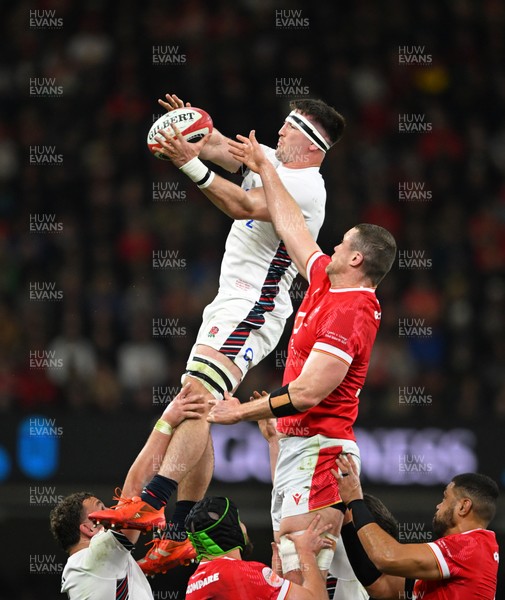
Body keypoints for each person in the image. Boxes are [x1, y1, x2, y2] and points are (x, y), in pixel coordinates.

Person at [89, 94, 346, 574]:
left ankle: (154, 504)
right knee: (199, 402)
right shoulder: (275, 159)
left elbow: (240, 203)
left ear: (312, 146)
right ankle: (176, 533)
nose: (280, 133)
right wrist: (192, 128)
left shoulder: (308, 187)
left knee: (197, 397)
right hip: (232, 302)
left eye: (290, 129)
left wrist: (191, 167)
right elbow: (225, 148)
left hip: (255, 306)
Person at [206, 131, 397, 585]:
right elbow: (291, 225)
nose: (328, 246)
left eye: (340, 243)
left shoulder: (353, 312)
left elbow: (308, 393)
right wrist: (266, 166)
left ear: (354, 258)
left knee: (299, 577)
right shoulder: (327, 283)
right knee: (292, 572)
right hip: (301, 451)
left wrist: (239, 412)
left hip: (320, 452)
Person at [49, 386, 205, 599]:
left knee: (199, 420)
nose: (114, 512)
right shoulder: (90, 561)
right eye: (102, 510)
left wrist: (176, 532)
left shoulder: (98, 566)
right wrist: (166, 421)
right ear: (88, 528)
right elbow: (133, 490)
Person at [333, 454, 500, 599]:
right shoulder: (472, 554)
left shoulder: (470, 547)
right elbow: (382, 586)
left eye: (445, 498)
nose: (438, 506)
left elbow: (387, 557)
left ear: (463, 507)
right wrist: (348, 520)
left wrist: (355, 499)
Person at [184, 495, 333, 599]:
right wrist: (306, 553)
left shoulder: (194, 582)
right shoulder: (242, 573)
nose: (244, 526)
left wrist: (274, 585)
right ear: (231, 530)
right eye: (239, 521)